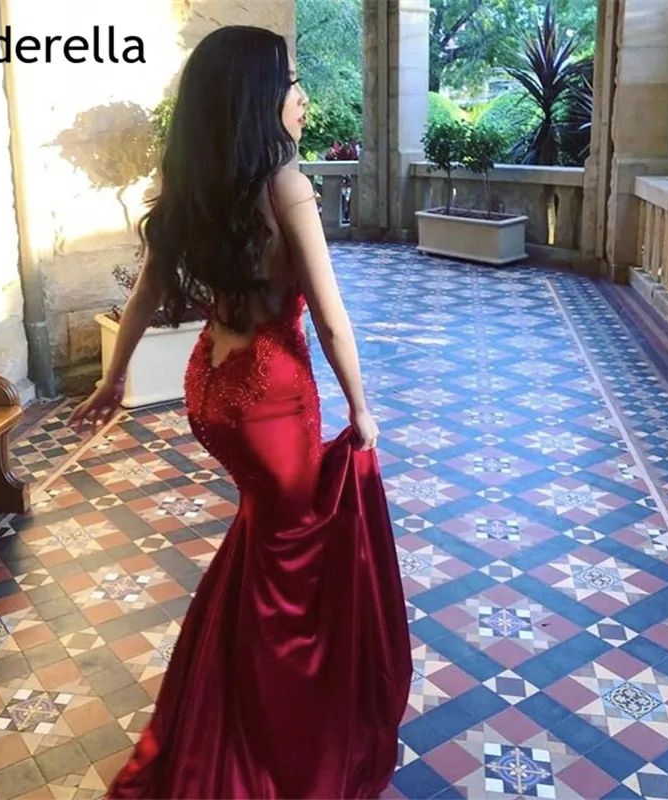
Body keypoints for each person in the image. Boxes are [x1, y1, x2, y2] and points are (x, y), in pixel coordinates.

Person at [70, 25, 412, 800]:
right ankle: (271, 736)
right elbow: (330, 319)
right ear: (258, 95)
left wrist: (115, 379)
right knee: (289, 576)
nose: (302, 96)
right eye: (290, 81)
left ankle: (221, 701)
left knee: (266, 546)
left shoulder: (196, 181)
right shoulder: (285, 183)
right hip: (270, 401)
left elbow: (147, 292)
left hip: (213, 390)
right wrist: (361, 409)